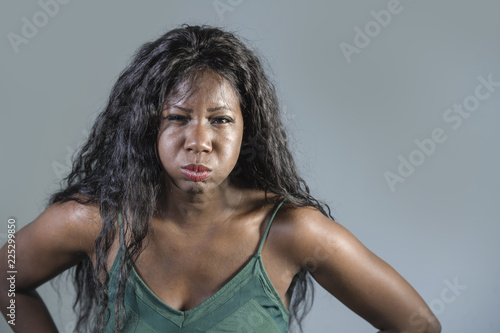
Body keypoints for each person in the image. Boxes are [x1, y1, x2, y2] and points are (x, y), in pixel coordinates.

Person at [0, 25, 441, 333]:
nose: (199, 141)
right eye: (177, 118)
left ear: (248, 129)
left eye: (220, 119)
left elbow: (417, 325)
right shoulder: (94, 222)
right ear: (145, 126)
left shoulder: (292, 231)